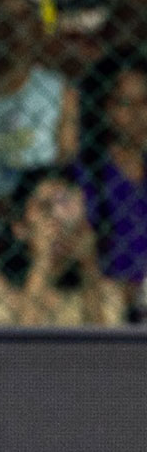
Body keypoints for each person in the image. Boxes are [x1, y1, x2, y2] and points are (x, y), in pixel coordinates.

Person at [0, 166, 126, 328]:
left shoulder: (105, 291)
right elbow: (17, 349)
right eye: (45, 207)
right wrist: (41, 262)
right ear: (19, 227)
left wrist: (89, 268)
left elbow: (103, 350)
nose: (58, 218)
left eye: (66, 205)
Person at [0, 0, 78, 201]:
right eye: (0, 18)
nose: (11, 29)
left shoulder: (60, 92)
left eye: (22, 17)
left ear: (38, 27)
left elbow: (66, 165)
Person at [72, 54, 147, 310]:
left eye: (144, 102)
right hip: (109, 305)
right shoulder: (87, 176)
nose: (138, 115)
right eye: (125, 104)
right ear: (105, 109)